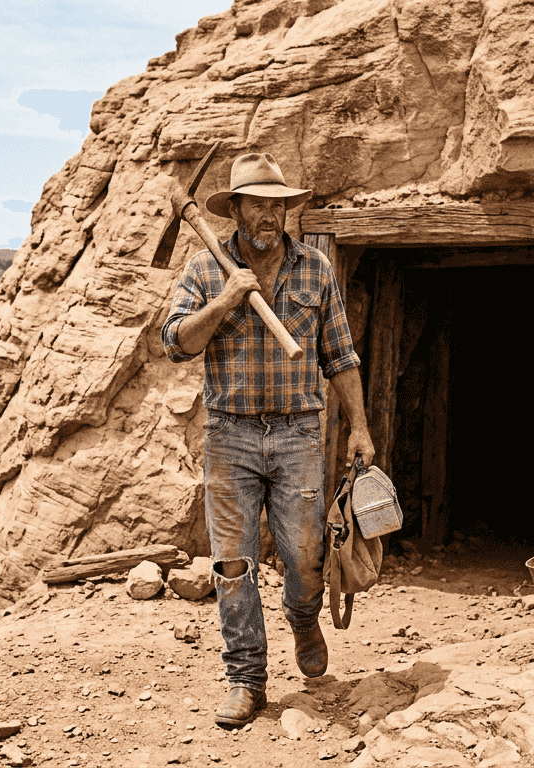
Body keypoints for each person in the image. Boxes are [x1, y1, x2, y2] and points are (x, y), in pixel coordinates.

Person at [161, 152, 375, 727]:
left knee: (306, 555)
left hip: (299, 432)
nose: (269, 217)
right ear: (234, 210)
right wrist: (227, 299)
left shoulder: (315, 270)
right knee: (233, 565)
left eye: (277, 206)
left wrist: (358, 425)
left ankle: (303, 618)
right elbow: (176, 341)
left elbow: (340, 355)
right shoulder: (207, 269)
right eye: (257, 205)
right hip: (230, 435)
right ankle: (246, 679)